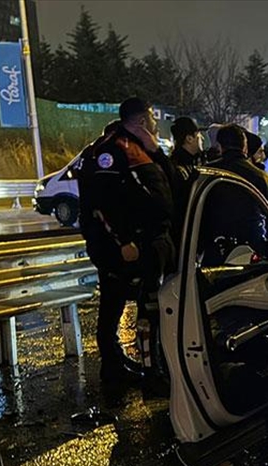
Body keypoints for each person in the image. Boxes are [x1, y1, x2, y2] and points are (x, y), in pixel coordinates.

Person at [77, 96, 177, 393]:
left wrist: (158, 152)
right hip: (129, 247)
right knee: (126, 305)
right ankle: (139, 369)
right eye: (153, 119)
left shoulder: (141, 150)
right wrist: (123, 241)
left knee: (131, 305)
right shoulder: (114, 151)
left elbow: (170, 188)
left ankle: (129, 365)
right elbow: (100, 203)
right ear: (142, 121)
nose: (157, 125)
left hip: (144, 243)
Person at [209, 123, 268, 208]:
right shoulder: (264, 179)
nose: (263, 156)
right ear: (245, 146)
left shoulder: (206, 173)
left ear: (219, 146)